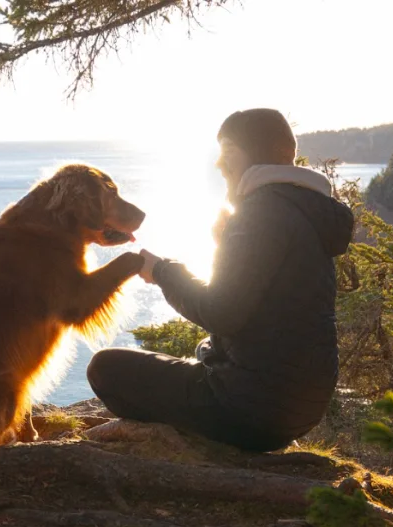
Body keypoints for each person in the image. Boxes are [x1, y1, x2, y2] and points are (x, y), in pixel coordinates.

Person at [86, 108, 354, 452]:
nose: (219, 165)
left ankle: (191, 442)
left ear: (235, 156)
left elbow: (220, 312)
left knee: (106, 368)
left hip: (248, 411)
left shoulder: (260, 210)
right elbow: (270, 308)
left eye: (226, 152)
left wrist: (161, 271)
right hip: (300, 411)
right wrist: (224, 246)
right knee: (201, 353)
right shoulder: (305, 211)